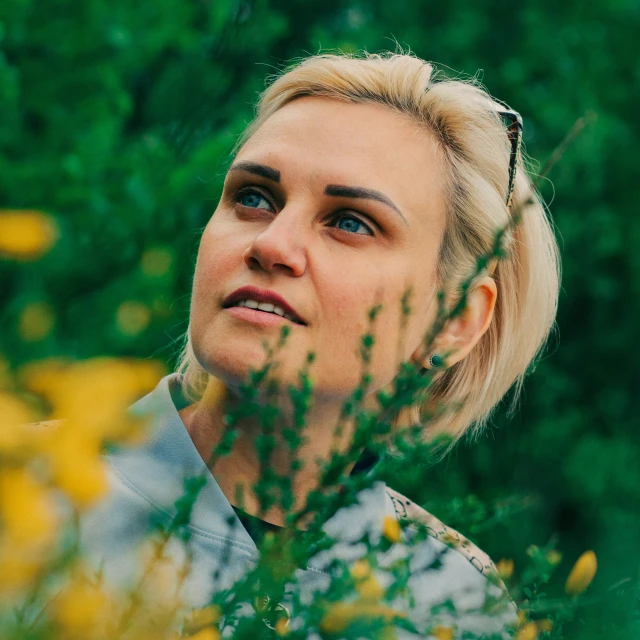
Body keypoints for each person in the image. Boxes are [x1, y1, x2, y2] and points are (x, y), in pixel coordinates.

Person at [68, 51, 560, 638]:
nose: (272, 243)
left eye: (350, 221)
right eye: (253, 197)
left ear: (455, 319)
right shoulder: (30, 500)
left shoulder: (453, 601)